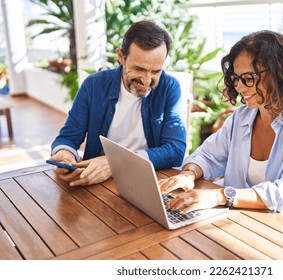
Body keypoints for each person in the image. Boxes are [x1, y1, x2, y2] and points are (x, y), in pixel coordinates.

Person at [159, 30, 283, 237]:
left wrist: (219, 196)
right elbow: (207, 155)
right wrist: (188, 174)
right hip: (250, 226)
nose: (240, 86)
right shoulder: (242, 117)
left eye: (248, 78)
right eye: (236, 78)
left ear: (279, 73)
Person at [50, 20, 187, 187]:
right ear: (121, 57)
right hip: (96, 181)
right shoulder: (93, 85)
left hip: (147, 180)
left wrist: (115, 163)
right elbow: (68, 136)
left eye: (156, 71)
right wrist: (65, 154)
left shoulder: (169, 87)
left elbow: (175, 150)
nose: (147, 80)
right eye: (139, 69)